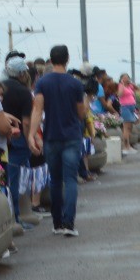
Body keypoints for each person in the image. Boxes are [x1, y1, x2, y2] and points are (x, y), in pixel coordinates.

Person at [27, 44, 87, 237]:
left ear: (51, 60)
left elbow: (37, 110)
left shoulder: (42, 83)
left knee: (55, 181)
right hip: (72, 136)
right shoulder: (75, 84)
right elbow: (81, 113)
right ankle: (69, 223)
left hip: (51, 136)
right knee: (70, 180)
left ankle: (57, 223)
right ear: (67, 59)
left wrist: (32, 134)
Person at [1, 56, 37, 231]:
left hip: (2, 136)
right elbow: (27, 121)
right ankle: (15, 217)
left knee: (7, 178)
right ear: (22, 73)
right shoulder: (24, 92)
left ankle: (12, 216)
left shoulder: (0, 87)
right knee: (15, 180)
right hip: (19, 138)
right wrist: (30, 138)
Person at [117, 74, 138, 153]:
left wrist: (131, 83)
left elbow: (137, 89)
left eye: (127, 77)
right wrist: (122, 85)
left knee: (130, 127)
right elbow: (119, 94)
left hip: (131, 107)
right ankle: (126, 146)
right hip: (125, 107)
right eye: (124, 78)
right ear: (121, 79)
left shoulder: (129, 86)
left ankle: (128, 145)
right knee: (126, 127)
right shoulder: (120, 86)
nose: (126, 79)